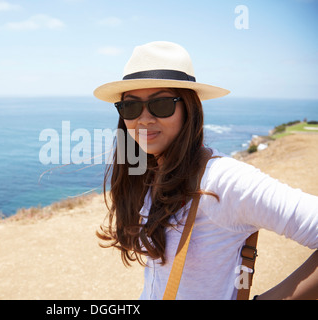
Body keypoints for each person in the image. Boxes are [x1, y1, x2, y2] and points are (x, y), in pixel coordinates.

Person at [93, 41, 318, 300]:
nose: (143, 118)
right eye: (131, 106)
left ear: (188, 108)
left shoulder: (222, 179)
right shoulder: (150, 171)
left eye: (162, 104)